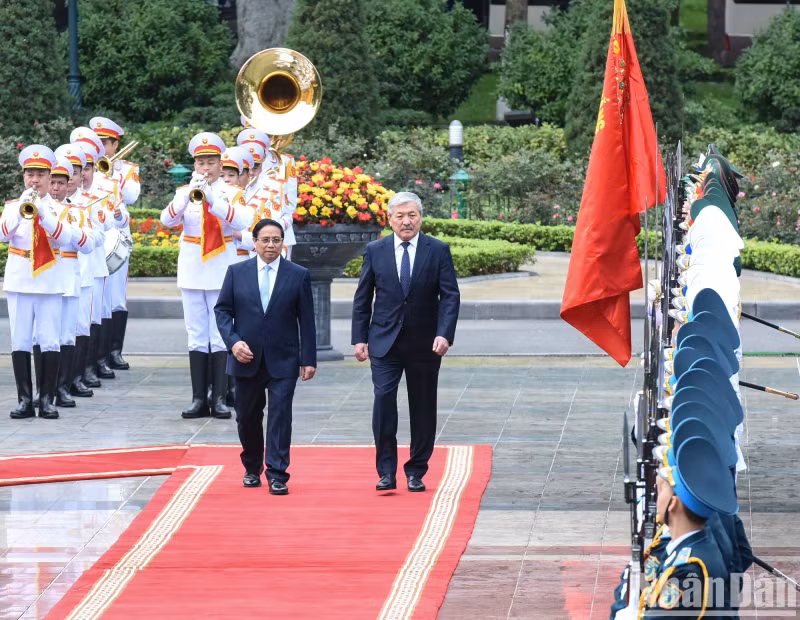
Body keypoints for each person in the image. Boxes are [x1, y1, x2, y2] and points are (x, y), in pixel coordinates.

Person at [351, 191, 460, 492]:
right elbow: (363, 298)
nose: (406, 221)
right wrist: (359, 338)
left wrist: (444, 333)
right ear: (389, 220)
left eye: (412, 215)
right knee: (384, 401)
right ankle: (386, 470)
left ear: (420, 217)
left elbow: (450, 296)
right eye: (400, 216)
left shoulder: (437, 250)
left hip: (426, 343)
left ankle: (417, 470)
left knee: (423, 407)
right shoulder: (376, 250)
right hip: (384, 342)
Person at [215, 218, 317, 494]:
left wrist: (308, 359)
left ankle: (277, 473)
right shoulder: (237, 272)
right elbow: (222, 311)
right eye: (265, 240)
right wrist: (233, 343)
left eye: (276, 240)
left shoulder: (297, 274)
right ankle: (251, 467)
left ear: (283, 243)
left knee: (280, 415)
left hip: (284, 359)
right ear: (255, 243)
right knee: (247, 416)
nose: (271, 245)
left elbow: (306, 320)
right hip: (245, 358)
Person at [160, 132, 252, 419]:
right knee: (196, 335)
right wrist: (188, 197)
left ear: (220, 163)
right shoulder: (184, 192)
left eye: (211, 162)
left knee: (219, 333)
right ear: (194, 164)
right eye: (201, 162)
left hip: (221, 270)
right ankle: (199, 398)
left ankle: (221, 397)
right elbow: (167, 220)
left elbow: (242, 221)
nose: (206, 168)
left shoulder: (232, 193)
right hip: (192, 270)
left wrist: (214, 200)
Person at [0, 146, 80, 419]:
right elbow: (2, 234)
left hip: (49, 280)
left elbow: (63, 239)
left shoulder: (60, 208)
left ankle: (46, 399)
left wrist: (43, 213)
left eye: (40, 175)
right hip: (20, 279)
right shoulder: (13, 206)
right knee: (20, 340)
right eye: (30, 175)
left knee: (49, 340)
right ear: (24, 177)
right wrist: (20, 211)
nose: (35, 180)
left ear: (50, 178)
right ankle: (24, 400)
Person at [90, 116, 140, 371]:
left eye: (104, 143)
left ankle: (114, 351)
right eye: (96, 143)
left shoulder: (128, 169)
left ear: (114, 144)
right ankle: (97, 355)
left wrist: (112, 172)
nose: (100, 148)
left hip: (118, 237)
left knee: (116, 297)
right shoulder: (87, 167)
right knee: (98, 297)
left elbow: (131, 196)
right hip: (95, 238)